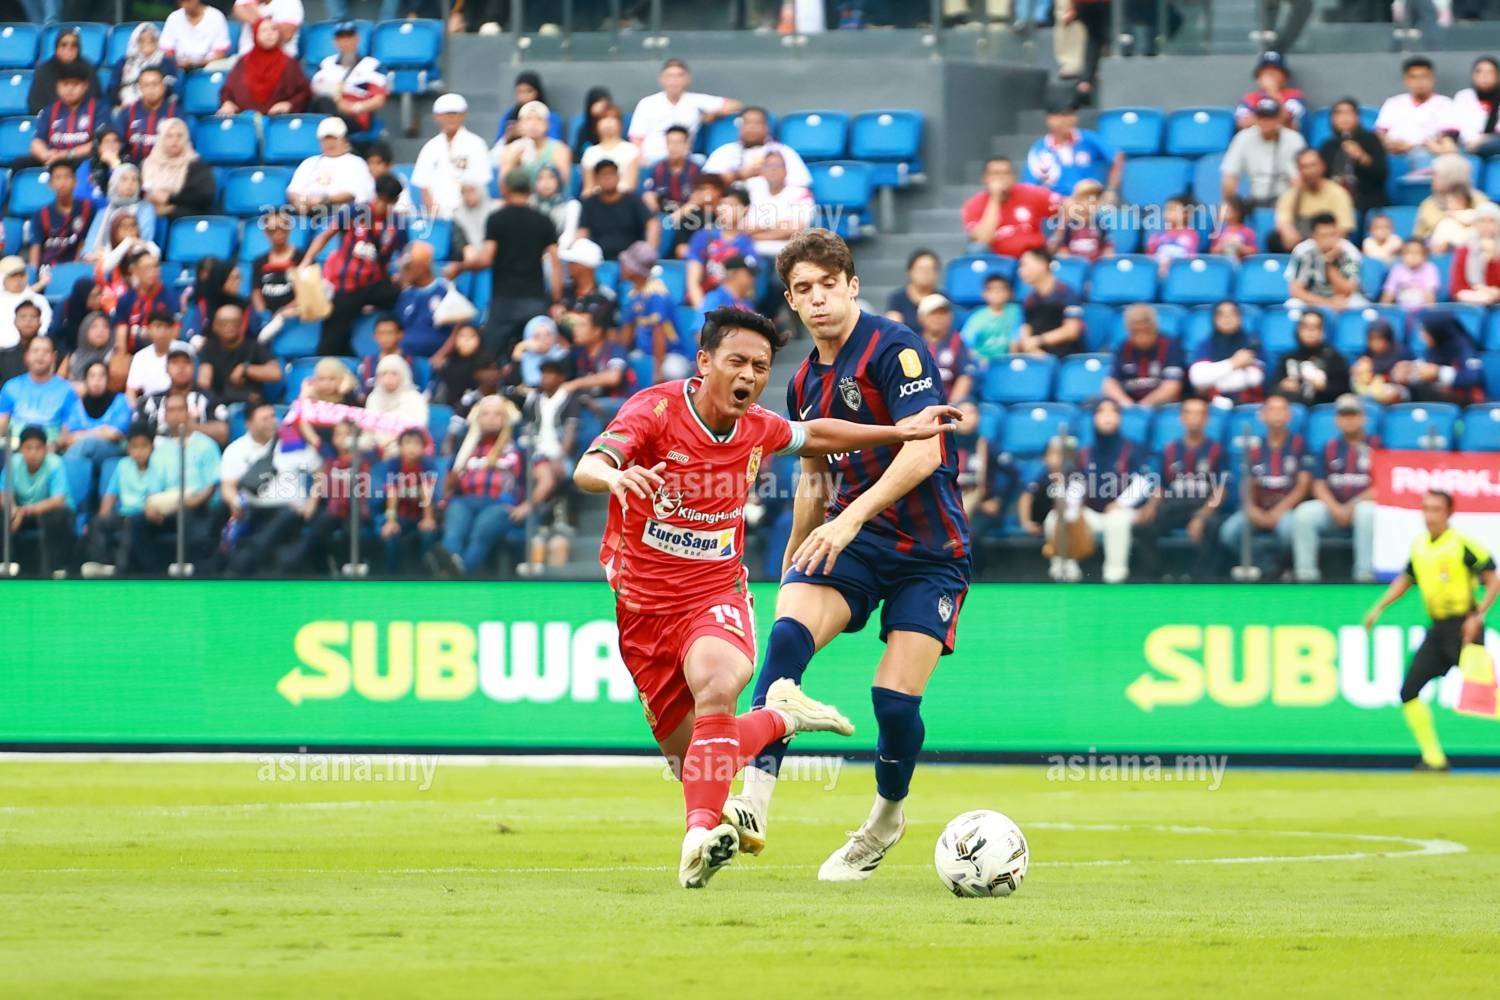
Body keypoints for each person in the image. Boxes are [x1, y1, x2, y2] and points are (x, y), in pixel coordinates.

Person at [574, 302, 960, 887]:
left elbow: (817, 435)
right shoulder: (655, 409)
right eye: (737, 362)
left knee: (718, 684)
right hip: (643, 609)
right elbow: (589, 465)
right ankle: (781, 717)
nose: (750, 376)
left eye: (760, 366)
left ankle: (696, 841)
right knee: (693, 761)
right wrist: (615, 475)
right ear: (704, 362)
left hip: (714, 593)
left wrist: (897, 430)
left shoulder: (757, 426)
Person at [725, 229, 974, 883]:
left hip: (928, 551)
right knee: (786, 640)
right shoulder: (803, 382)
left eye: (828, 285)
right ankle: (753, 802)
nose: (818, 299)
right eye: (803, 289)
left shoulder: (896, 348)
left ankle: (885, 820)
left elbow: (926, 451)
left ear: (852, 286)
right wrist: (792, 563)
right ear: (790, 300)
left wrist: (850, 518)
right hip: (854, 541)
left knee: (893, 703)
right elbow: (813, 479)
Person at [1363, 489, 1500, 771]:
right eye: (1426, 509)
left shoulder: (1462, 544)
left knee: (1487, 698)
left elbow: (1493, 579)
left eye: (1436, 509)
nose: (1429, 515)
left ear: (1449, 513)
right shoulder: (1419, 547)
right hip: (1438, 630)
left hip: (1465, 628)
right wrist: (1379, 607)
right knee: (1409, 691)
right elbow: (1406, 579)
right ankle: (1434, 759)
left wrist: (1478, 616)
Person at [445, 168, 562, 359]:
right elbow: (555, 262)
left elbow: (485, 260)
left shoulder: (497, 219)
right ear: (530, 189)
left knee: (489, 356)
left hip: (504, 302)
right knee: (536, 354)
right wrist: (556, 299)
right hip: (534, 299)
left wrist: (460, 267)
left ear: (505, 190)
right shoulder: (543, 220)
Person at [428, 394, 537, 578]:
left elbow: (545, 477)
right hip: (465, 501)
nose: (491, 418)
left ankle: (457, 574)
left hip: (500, 503)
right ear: (477, 419)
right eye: (485, 414)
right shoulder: (465, 448)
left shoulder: (519, 448)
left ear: (506, 419)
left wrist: (528, 505)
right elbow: (449, 485)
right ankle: (450, 565)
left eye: (497, 414)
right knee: (453, 532)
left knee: (482, 531)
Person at [303, 174, 407, 357]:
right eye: (380, 199)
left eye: (387, 202)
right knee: (331, 341)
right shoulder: (354, 211)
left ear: (395, 201)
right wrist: (306, 260)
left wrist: (402, 276)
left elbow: (405, 255)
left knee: (403, 296)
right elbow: (325, 235)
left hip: (374, 284)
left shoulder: (397, 224)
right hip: (347, 284)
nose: (381, 206)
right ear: (375, 194)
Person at [1052, 397, 1154, 584]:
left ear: (1119, 418)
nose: (1107, 416)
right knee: (1057, 517)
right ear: (1094, 418)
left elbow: (1144, 482)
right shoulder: (1085, 453)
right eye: (1101, 412)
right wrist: (1072, 508)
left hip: (1124, 512)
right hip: (1092, 513)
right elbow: (1077, 483)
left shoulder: (1132, 448)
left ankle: (1115, 575)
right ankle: (1066, 571)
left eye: (1113, 411)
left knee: (1117, 519)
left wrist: (1120, 504)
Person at [220, 400, 321, 577]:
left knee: (286, 516)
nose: (271, 422)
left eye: (272, 416)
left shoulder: (292, 443)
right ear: (249, 424)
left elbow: (320, 474)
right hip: (252, 508)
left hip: (289, 510)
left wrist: (311, 503)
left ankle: (245, 560)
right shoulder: (236, 449)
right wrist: (235, 503)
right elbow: (228, 486)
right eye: (264, 419)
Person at [1217, 394, 1311, 577]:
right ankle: (1267, 567)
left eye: (1282, 409)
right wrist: (1251, 508)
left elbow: (1303, 485)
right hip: (1258, 509)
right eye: (1272, 410)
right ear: (1262, 416)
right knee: (1230, 532)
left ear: (1289, 415)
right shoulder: (1255, 448)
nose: (1277, 414)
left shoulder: (1300, 445)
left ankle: (1283, 568)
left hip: (1287, 510)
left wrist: (1279, 511)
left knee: (1288, 530)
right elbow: (1246, 483)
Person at [1139, 397, 1226, 581]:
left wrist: (1201, 516)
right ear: (1181, 418)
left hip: (1203, 505)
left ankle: (1202, 577)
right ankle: (1158, 575)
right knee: (1146, 523)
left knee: (1213, 525)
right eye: (1189, 413)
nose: (1194, 418)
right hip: (1175, 505)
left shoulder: (1217, 450)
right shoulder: (1170, 450)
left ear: (1207, 419)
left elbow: (1221, 490)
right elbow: (1161, 486)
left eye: (1199, 413)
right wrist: (1151, 506)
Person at [1291, 393, 1376, 583]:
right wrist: (1335, 507)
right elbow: (1318, 484)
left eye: (1353, 415)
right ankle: (1305, 575)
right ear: (1337, 420)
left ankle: (1365, 575)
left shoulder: (1377, 447)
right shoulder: (1329, 448)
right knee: (1304, 513)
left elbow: (1381, 486)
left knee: (1366, 513)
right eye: (1344, 415)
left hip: (1363, 505)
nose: (1349, 420)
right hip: (1334, 507)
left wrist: (1351, 506)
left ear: (1363, 418)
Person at [80, 422, 160, 577]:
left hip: (144, 515)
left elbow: (155, 498)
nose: (139, 451)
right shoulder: (123, 465)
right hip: (123, 514)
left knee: (130, 525)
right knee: (97, 523)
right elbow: (110, 494)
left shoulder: (157, 467)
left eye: (143, 446)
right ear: (128, 448)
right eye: (134, 447)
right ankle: (101, 564)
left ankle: (120, 570)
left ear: (151, 447)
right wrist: (103, 516)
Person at [627, 58, 741, 165]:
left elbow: (736, 105)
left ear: (687, 79)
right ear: (661, 79)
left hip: (685, 159)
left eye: (679, 76)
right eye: (669, 76)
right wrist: (641, 160)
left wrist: (712, 114)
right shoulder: (647, 103)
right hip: (653, 158)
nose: (674, 81)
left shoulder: (696, 100)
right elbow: (636, 138)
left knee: (701, 161)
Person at [410, 94, 494, 228]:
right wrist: (433, 214)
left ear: (463, 115)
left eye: (455, 114)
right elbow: (423, 184)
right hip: (439, 215)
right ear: (436, 117)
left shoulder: (476, 144)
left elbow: (482, 181)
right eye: (446, 115)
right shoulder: (430, 147)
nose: (451, 118)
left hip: (471, 213)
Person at [1, 424, 75, 575]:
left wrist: (24, 511)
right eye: (28, 448)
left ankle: (53, 569)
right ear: (21, 449)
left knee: (57, 516)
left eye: (38, 448)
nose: (33, 453)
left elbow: (58, 500)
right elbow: (4, 493)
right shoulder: (13, 463)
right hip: (21, 512)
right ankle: (5, 565)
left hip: (49, 512)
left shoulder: (55, 464)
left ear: (46, 449)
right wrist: (12, 510)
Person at [59, 360, 131, 506]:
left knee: (85, 445)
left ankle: (70, 506)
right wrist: (100, 431)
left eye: (101, 376)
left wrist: (83, 434)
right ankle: (81, 512)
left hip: (113, 450)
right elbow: (68, 438)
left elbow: (114, 434)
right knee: (82, 458)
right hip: (83, 455)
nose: (96, 381)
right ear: (85, 380)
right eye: (92, 376)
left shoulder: (120, 400)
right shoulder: (77, 404)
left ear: (107, 379)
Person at [619, 240, 689, 384]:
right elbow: (627, 333)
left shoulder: (657, 294)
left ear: (634, 269)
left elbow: (659, 333)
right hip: (645, 353)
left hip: (671, 355)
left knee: (671, 371)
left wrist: (658, 370)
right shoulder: (634, 294)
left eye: (626, 263)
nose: (622, 266)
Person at [1023, 95, 1122, 197]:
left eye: (1072, 114)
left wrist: (1111, 190)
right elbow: (1030, 186)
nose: (1069, 119)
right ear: (1050, 119)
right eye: (1064, 115)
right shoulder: (1039, 150)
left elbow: (1117, 156)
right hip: (1056, 202)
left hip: (1089, 199)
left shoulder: (1088, 139)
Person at [1375, 55, 1458, 175]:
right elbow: (1380, 135)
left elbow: (1447, 140)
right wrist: (1390, 145)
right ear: (1406, 80)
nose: (1419, 82)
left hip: (1426, 153)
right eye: (1414, 77)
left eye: (1424, 77)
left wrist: (1412, 146)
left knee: (1422, 156)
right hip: (1393, 153)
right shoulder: (1393, 103)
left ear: (1432, 79)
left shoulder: (1445, 104)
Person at [962, 157, 1059, 257]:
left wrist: (1058, 238)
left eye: (1006, 173)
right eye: (995, 173)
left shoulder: (1031, 193)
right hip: (997, 259)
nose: (1001, 178)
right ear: (985, 178)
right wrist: (995, 199)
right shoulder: (973, 205)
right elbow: (982, 239)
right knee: (976, 250)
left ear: (1013, 177)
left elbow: (1064, 207)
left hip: (1032, 256)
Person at [1220, 97, 1306, 210]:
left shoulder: (1294, 139)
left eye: (1270, 118)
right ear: (1255, 118)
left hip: (1285, 199)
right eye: (1261, 117)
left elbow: (1298, 180)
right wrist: (1230, 205)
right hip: (1253, 199)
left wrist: (1293, 209)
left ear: (1279, 119)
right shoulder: (1243, 137)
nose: (1265, 122)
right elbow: (1230, 175)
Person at [376, 427, 440, 575]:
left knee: (428, 534)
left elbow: (427, 494)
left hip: (420, 515)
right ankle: (392, 576)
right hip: (400, 515)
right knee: (390, 535)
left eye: (417, 443)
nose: (412, 448)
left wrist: (428, 518)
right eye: (408, 443)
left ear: (423, 448)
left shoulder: (427, 465)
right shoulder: (394, 464)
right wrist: (391, 521)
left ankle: (425, 575)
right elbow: (392, 494)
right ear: (400, 446)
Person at [308, 20, 387, 138]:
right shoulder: (326, 64)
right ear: (335, 42)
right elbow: (314, 89)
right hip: (328, 108)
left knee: (324, 105)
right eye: (341, 38)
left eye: (349, 37)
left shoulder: (371, 65)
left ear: (357, 39)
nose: (346, 42)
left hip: (354, 118)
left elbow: (379, 100)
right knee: (319, 102)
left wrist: (353, 108)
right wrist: (335, 96)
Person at [218, 18, 310, 117]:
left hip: (278, 119)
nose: (269, 33)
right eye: (264, 30)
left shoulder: (289, 63)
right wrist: (228, 103)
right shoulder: (243, 62)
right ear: (255, 34)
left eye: (274, 29)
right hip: (244, 119)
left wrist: (289, 104)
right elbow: (228, 90)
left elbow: (303, 92)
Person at [703, 106, 812, 188]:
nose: (752, 127)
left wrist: (772, 176)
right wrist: (739, 175)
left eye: (757, 123)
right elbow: (706, 183)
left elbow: (803, 182)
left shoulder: (783, 152)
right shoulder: (724, 151)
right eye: (747, 123)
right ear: (739, 128)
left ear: (767, 127)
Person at [197, 300, 281, 405]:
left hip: (251, 403)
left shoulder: (255, 346)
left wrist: (246, 369)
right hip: (220, 404)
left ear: (242, 325)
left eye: (234, 322)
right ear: (215, 327)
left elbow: (276, 373)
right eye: (223, 323)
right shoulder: (208, 349)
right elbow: (204, 381)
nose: (229, 326)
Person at [1392, 310, 1484, 404]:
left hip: (1463, 400)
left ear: (1438, 331)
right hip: (1437, 397)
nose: (1421, 336)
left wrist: (1439, 373)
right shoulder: (1433, 349)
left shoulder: (1465, 348)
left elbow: (1472, 377)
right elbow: (1425, 367)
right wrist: (1409, 370)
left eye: (1425, 332)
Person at [286, 117, 374, 214]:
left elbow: (354, 194)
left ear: (344, 139)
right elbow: (293, 190)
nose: (330, 143)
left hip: (339, 214)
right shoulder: (309, 162)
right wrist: (300, 202)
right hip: (307, 213)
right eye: (325, 139)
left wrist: (324, 200)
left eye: (334, 138)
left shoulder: (357, 163)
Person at [1275, 148, 1356, 253]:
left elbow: (1343, 229)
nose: (1310, 171)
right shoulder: (1291, 194)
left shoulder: (1338, 193)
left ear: (1323, 166)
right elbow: (1283, 223)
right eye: (1304, 167)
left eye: (1313, 165)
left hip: (1328, 243)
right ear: (1299, 170)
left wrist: (1324, 243)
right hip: (1298, 243)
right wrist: (1289, 234)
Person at [1102, 304, 1185, 406]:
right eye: (1135, 332)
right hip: (1129, 404)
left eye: (1145, 330)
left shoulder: (1170, 345)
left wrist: (1144, 406)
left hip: (1161, 406)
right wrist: (1126, 404)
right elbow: (1110, 383)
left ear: (1154, 327)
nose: (1141, 336)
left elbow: (1172, 386)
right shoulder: (1123, 347)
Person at [1319, 97, 1388, 219]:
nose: (1344, 118)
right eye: (1339, 113)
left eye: (1348, 113)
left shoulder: (1371, 140)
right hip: (1334, 199)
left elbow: (1381, 174)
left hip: (1365, 197)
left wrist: (1362, 157)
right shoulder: (1327, 145)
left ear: (1357, 117)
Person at [685, 190, 756, 308]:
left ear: (745, 209)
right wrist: (704, 311)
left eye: (731, 205)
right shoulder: (704, 236)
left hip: (731, 308)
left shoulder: (747, 246)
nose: (724, 209)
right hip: (703, 303)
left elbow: (746, 290)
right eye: (722, 204)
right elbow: (693, 282)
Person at [576, 160, 657, 261]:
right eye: (603, 175)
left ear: (618, 176)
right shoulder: (590, 203)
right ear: (596, 179)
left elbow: (652, 224)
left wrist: (648, 253)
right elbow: (582, 232)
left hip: (631, 259)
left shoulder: (632, 200)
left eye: (611, 174)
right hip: (599, 258)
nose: (608, 178)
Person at [28, 63, 104, 170]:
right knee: (20, 163)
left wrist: (66, 155)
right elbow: (37, 141)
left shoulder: (99, 109)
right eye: (65, 84)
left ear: (85, 86)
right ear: (57, 86)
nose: (70, 89)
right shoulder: (49, 111)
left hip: (82, 159)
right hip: (53, 159)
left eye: (75, 84)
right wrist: (46, 155)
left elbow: (101, 143)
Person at [1189, 301, 1265, 408]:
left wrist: (1212, 381)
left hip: (1249, 405)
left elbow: (1255, 379)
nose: (1227, 318)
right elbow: (1198, 378)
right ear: (1214, 319)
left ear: (1240, 318)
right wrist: (1234, 363)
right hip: (1212, 406)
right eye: (1221, 314)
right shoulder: (1205, 345)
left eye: (1232, 314)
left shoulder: (1252, 343)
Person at [0, 337, 77, 441]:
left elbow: (67, 429)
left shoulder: (66, 390)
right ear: (27, 356)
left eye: (46, 351)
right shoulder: (11, 387)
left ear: (54, 357)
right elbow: (2, 423)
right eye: (35, 351)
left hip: (51, 447)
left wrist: (56, 445)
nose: (40, 355)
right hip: (15, 446)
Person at [141, 118, 216, 222]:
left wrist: (169, 199)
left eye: (179, 136)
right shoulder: (148, 164)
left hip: (181, 217)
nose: (175, 140)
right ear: (161, 139)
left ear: (186, 139)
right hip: (148, 214)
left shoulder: (195, 164)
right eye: (169, 136)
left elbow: (204, 196)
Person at [1013, 247, 1084, 357]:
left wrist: (1039, 341)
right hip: (1038, 357)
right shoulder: (1029, 300)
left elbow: (1072, 330)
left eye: (1024, 265)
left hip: (1065, 356)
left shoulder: (1066, 293)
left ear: (1043, 264)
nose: (1020, 271)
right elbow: (1026, 329)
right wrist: (1032, 348)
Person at [744, 150, 814, 261]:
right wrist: (776, 225)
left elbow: (797, 229)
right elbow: (742, 229)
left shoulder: (801, 193)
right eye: (768, 166)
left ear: (786, 170)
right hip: (752, 254)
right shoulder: (752, 192)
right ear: (762, 171)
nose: (773, 169)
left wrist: (757, 233)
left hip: (789, 254)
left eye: (778, 165)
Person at [1285, 213, 1365, 310]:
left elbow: (1348, 290)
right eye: (1323, 236)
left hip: (1343, 299)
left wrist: (1329, 263)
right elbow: (1295, 291)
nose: (1328, 240)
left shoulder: (1349, 252)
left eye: (1332, 235)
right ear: (1314, 236)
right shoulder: (1303, 251)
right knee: (1292, 304)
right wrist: (1327, 303)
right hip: (1313, 299)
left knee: (1357, 304)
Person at [83, 165, 157, 266]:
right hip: (100, 259)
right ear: (114, 183)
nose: (130, 183)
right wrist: (91, 255)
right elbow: (90, 245)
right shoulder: (104, 212)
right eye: (124, 179)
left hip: (132, 260)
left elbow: (144, 239)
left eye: (134, 180)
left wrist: (111, 255)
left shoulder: (145, 209)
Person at [1414, 154, 1490, 252]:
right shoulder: (1427, 204)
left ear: (1451, 176)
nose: (1432, 179)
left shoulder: (1479, 200)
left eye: (1436, 175)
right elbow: (1417, 239)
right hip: (1435, 253)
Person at [1274, 310, 1349, 406]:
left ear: (1323, 331)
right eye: (1306, 327)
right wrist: (1283, 386)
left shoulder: (1334, 357)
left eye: (1316, 327)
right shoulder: (1287, 357)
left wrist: (1324, 387)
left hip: (1324, 408)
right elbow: (1271, 390)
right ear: (1298, 330)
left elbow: (1345, 391)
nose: (1310, 332)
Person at [29, 162, 95, 269]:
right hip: (47, 269)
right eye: (58, 178)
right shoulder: (41, 214)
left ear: (75, 182)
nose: (62, 182)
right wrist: (32, 274)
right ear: (50, 184)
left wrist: (76, 269)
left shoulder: (88, 209)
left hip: (75, 268)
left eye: (67, 177)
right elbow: (35, 248)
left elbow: (84, 242)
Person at [393, 242, 453, 358]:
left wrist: (442, 355)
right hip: (408, 358)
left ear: (423, 267)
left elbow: (459, 328)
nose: (403, 272)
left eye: (408, 267)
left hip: (439, 359)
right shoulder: (406, 294)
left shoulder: (446, 290)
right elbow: (399, 327)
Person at [361, 355, 428, 460]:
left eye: (394, 374)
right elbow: (369, 426)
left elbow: (418, 427)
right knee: (361, 444)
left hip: (403, 443)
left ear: (403, 375)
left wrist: (391, 440)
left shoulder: (415, 398)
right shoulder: (373, 398)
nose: (388, 378)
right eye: (384, 374)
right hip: (377, 444)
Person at [494, 100, 572, 190]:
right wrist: (513, 162)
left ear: (548, 125)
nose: (533, 124)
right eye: (528, 119)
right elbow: (503, 186)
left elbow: (564, 184)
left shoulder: (559, 149)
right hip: (522, 197)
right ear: (520, 124)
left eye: (539, 119)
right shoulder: (511, 149)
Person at [27, 28, 101, 116]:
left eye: (74, 45)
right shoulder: (44, 70)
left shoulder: (88, 68)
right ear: (56, 48)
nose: (69, 49)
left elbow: (96, 100)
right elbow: (34, 103)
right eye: (64, 45)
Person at [640, 125, 702, 224]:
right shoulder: (658, 168)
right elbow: (649, 192)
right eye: (670, 142)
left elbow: (699, 198)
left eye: (678, 142)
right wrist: (650, 201)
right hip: (663, 209)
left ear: (687, 145)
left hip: (687, 214)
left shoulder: (695, 170)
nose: (674, 147)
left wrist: (679, 214)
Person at [126, 311, 191, 404]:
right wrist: (136, 410)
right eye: (158, 326)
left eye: (167, 327)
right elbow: (131, 391)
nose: (162, 331)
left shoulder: (185, 350)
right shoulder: (140, 357)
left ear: (173, 329)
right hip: (151, 406)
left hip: (183, 403)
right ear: (149, 329)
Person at [1235, 50, 1306, 131]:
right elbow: (1243, 123)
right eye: (1265, 71)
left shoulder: (1295, 96)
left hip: (1282, 137)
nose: (1270, 74)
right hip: (1256, 137)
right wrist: (1273, 121)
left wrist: (1273, 92)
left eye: (1275, 71)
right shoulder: (1249, 98)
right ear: (1258, 78)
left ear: (1285, 78)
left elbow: (1290, 124)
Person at [112, 24, 178, 110]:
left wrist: (143, 103)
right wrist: (120, 103)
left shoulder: (166, 61)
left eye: (152, 40)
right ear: (135, 42)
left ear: (157, 41)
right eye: (142, 40)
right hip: (124, 105)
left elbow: (169, 87)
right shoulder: (124, 61)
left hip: (156, 106)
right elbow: (113, 86)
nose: (147, 43)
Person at [960, 274, 1022, 362]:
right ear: (984, 294)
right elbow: (965, 345)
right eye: (992, 289)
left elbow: (1015, 338)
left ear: (1010, 292)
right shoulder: (977, 317)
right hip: (982, 362)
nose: (997, 292)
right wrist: (980, 361)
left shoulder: (1015, 311)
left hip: (1006, 361)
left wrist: (1012, 360)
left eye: (1001, 289)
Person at [579, 105, 640, 194]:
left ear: (620, 124)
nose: (608, 122)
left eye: (612, 118)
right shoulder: (590, 153)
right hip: (597, 198)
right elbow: (588, 188)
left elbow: (630, 186)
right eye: (603, 119)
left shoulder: (631, 150)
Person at [1050, 178, 1113, 261]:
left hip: (1095, 265)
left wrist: (1104, 264)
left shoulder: (1100, 223)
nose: (1092, 202)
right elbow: (1062, 250)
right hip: (1074, 266)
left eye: (1096, 198)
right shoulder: (1068, 224)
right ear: (1077, 200)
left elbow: (1108, 249)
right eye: (1087, 198)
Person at [160, 0, 233, 72]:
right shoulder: (174, 17)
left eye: (188, 1)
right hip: (179, 69)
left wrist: (194, 63)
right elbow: (167, 52)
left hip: (208, 68)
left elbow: (220, 55)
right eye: (181, 2)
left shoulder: (216, 16)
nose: (184, 5)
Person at [494, 71, 563, 145]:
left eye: (529, 91)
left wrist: (534, 133)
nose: (524, 96)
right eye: (520, 91)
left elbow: (554, 144)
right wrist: (509, 136)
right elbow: (497, 146)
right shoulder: (509, 116)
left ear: (537, 92)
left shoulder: (550, 117)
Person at [1450, 202, 1500, 304]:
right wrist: (1478, 292)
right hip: (1471, 301)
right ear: (1475, 223)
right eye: (1482, 221)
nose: (1486, 225)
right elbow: (1456, 288)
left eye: (1491, 221)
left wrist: (1493, 261)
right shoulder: (1464, 250)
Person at [0, 256, 53, 354]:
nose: (18, 280)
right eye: (13, 276)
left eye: (21, 275)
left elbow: (45, 327)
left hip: (31, 350)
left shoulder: (38, 300)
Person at [1454, 56, 1500, 158]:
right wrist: (1474, 141)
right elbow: (1458, 125)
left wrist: (1483, 139)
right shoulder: (1464, 96)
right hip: (1468, 148)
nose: (1484, 76)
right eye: (1479, 72)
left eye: (1490, 72)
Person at [883, 249, 939, 330]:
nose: (926, 273)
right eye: (921, 269)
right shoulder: (897, 299)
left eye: (930, 269)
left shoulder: (942, 299)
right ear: (910, 271)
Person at [1146, 196, 1201, 274]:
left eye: (1173, 209)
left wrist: (1169, 261)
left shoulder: (1191, 235)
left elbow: (1188, 257)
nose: (1168, 213)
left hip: (1181, 273)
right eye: (1167, 209)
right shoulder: (1157, 236)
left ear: (1186, 214)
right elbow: (1149, 258)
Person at [530, 164, 579, 249]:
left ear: (558, 180)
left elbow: (568, 235)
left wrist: (553, 251)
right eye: (540, 178)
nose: (546, 182)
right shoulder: (529, 204)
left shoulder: (571, 205)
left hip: (561, 250)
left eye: (551, 177)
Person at [1381, 238, 1440, 309]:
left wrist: (1429, 312)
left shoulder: (1430, 268)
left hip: (1422, 310)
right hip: (1401, 310)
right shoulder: (1397, 269)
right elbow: (1388, 293)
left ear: (1424, 255)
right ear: (1402, 255)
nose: (1413, 256)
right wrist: (1383, 310)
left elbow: (1430, 296)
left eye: (1417, 253)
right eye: (1408, 253)